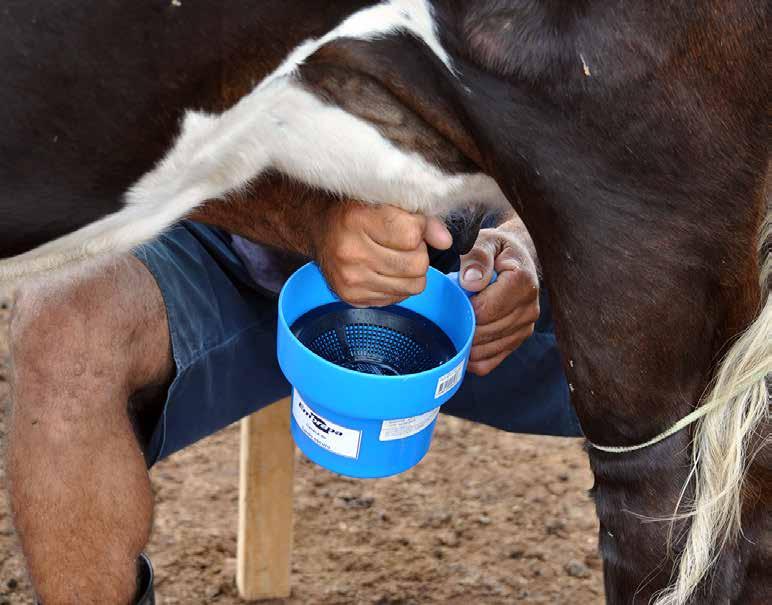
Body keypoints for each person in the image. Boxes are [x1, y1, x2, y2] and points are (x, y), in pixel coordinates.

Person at [6, 192, 580, 604]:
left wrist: (527, 234)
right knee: (64, 333)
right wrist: (306, 217)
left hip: (476, 265)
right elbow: (111, 122)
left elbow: (585, 88)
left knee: (666, 367)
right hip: (233, 235)